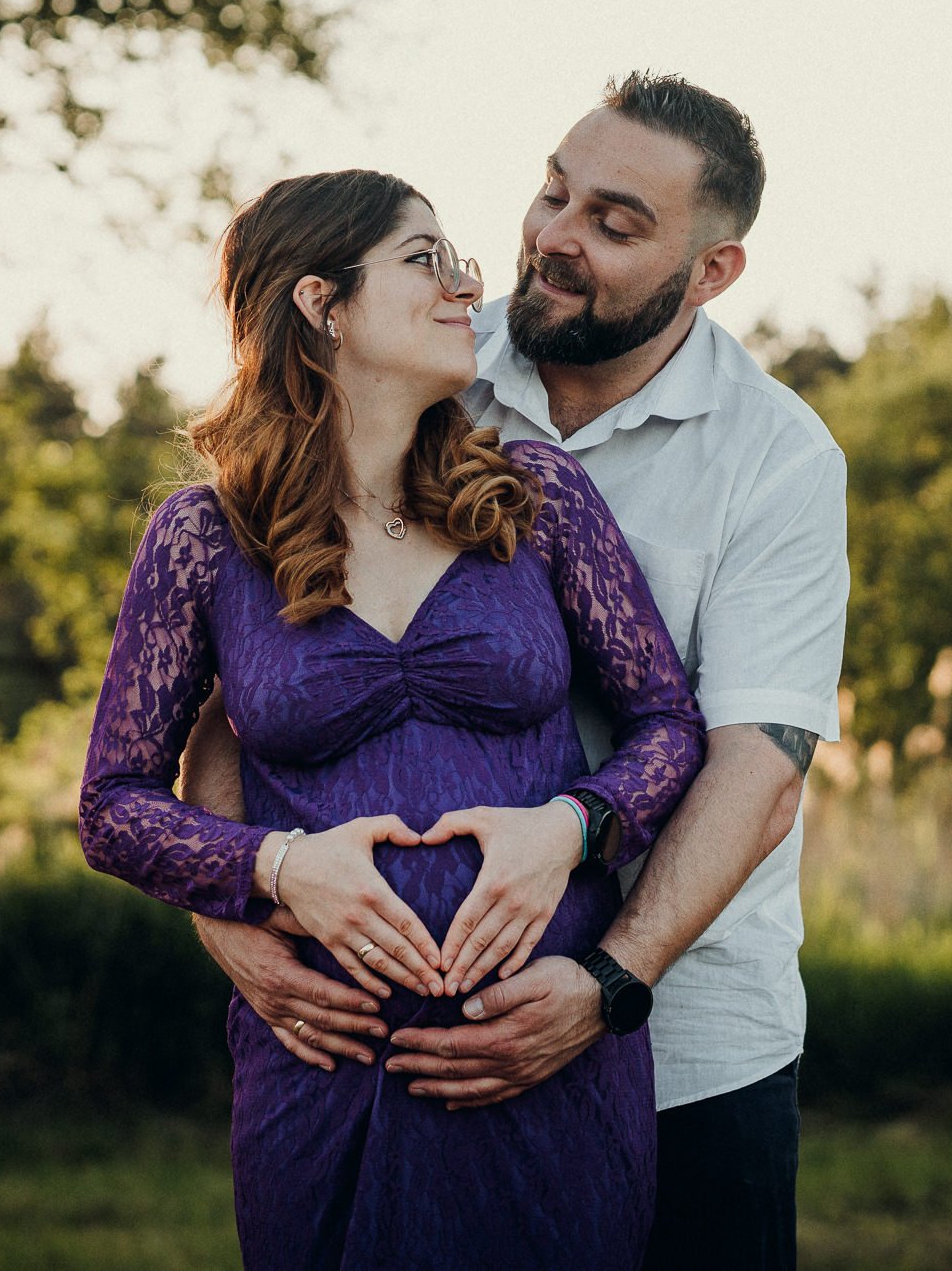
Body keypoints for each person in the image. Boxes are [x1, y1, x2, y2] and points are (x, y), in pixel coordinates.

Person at [188, 74, 848, 1270]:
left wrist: (607, 981)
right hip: (380, 1035)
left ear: (709, 273)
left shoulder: (776, 458)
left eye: (614, 223)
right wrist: (232, 920)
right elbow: (244, 694)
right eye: (553, 192)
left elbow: (760, 766)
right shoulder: (417, 359)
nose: (553, 238)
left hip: (686, 1026)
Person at [77, 168, 706, 1270]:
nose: (467, 285)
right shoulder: (203, 540)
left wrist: (570, 826)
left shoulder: (534, 497)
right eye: (425, 260)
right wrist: (277, 869)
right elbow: (114, 805)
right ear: (320, 305)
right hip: (327, 1067)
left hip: (543, 1061)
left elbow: (667, 725)